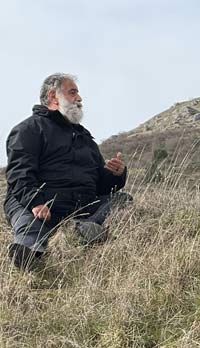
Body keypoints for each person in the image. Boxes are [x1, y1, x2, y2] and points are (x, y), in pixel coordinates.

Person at [4, 73, 130, 270]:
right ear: (54, 97)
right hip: (42, 202)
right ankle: (28, 252)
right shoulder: (28, 129)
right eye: (73, 93)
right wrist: (35, 202)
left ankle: (86, 228)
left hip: (80, 204)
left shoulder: (85, 138)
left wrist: (116, 174)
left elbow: (100, 184)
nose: (79, 98)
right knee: (31, 221)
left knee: (122, 199)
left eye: (78, 94)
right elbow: (19, 172)